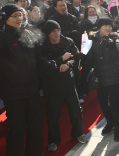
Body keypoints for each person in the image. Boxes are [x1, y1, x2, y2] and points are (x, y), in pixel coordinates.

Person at [0, 4, 44, 156]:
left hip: (32, 90)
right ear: (6, 19)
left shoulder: (27, 33)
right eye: (14, 16)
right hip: (13, 93)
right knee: (16, 130)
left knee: (36, 125)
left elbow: (37, 56)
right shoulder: (1, 36)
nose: (18, 19)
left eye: (20, 15)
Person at [38, 20, 87, 152]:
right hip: (51, 87)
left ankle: (78, 133)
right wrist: (60, 61)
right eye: (54, 31)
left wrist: (68, 64)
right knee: (53, 116)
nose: (57, 33)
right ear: (48, 33)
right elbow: (43, 64)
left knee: (76, 111)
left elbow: (75, 57)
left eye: (58, 29)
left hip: (68, 84)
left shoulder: (68, 42)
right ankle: (53, 140)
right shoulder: (42, 46)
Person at [87, 18, 119, 141]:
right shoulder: (92, 39)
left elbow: (118, 52)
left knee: (114, 103)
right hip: (100, 76)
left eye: (110, 26)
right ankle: (110, 121)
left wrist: (113, 46)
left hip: (114, 75)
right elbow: (89, 56)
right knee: (103, 102)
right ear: (99, 27)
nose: (108, 28)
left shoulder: (114, 38)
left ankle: (118, 127)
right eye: (105, 26)